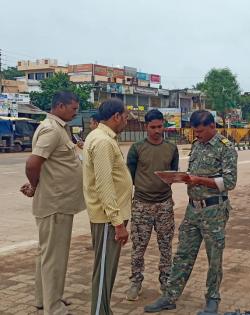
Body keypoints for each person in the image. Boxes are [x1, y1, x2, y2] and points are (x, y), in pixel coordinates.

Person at [144, 110, 238, 315]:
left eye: (201, 132)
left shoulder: (226, 148)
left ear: (213, 127)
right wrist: (180, 178)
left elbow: (229, 182)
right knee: (183, 254)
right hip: (193, 209)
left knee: (214, 258)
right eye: (195, 132)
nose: (197, 135)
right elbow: (192, 174)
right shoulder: (196, 146)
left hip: (214, 210)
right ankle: (170, 296)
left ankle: (212, 299)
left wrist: (198, 180)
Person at [20, 91, 85, 314]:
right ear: (59, 106)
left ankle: (46, 298)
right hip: (55, 203)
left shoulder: (59, 129)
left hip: (59, 201)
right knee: (55, 256)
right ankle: (53, 307)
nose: (76, 113)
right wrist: (35, 185)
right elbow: (32, 164)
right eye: (73, 108)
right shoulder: (51, 129)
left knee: (47, 254)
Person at [82, 98, 131, 315]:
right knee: (103, 272)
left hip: (110, 218)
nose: (127, 122)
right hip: (108, 219)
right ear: (116, 117)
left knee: (107, 270)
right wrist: (118, 222)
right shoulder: (102, 141)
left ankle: (104, 310)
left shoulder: (103, 137)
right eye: (126, 117)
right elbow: (104, 184)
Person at [125, 109, 179, 301]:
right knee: (138, 247)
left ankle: (166, 282)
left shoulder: (171, 148)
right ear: (145, 127)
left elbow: (173, 172)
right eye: (153, 127)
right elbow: (128, 177)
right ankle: (136, 282)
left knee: (166, 246)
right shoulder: (137, 148)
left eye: (160, 126)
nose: (157, 130)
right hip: (142, 204)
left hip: (164, 204)